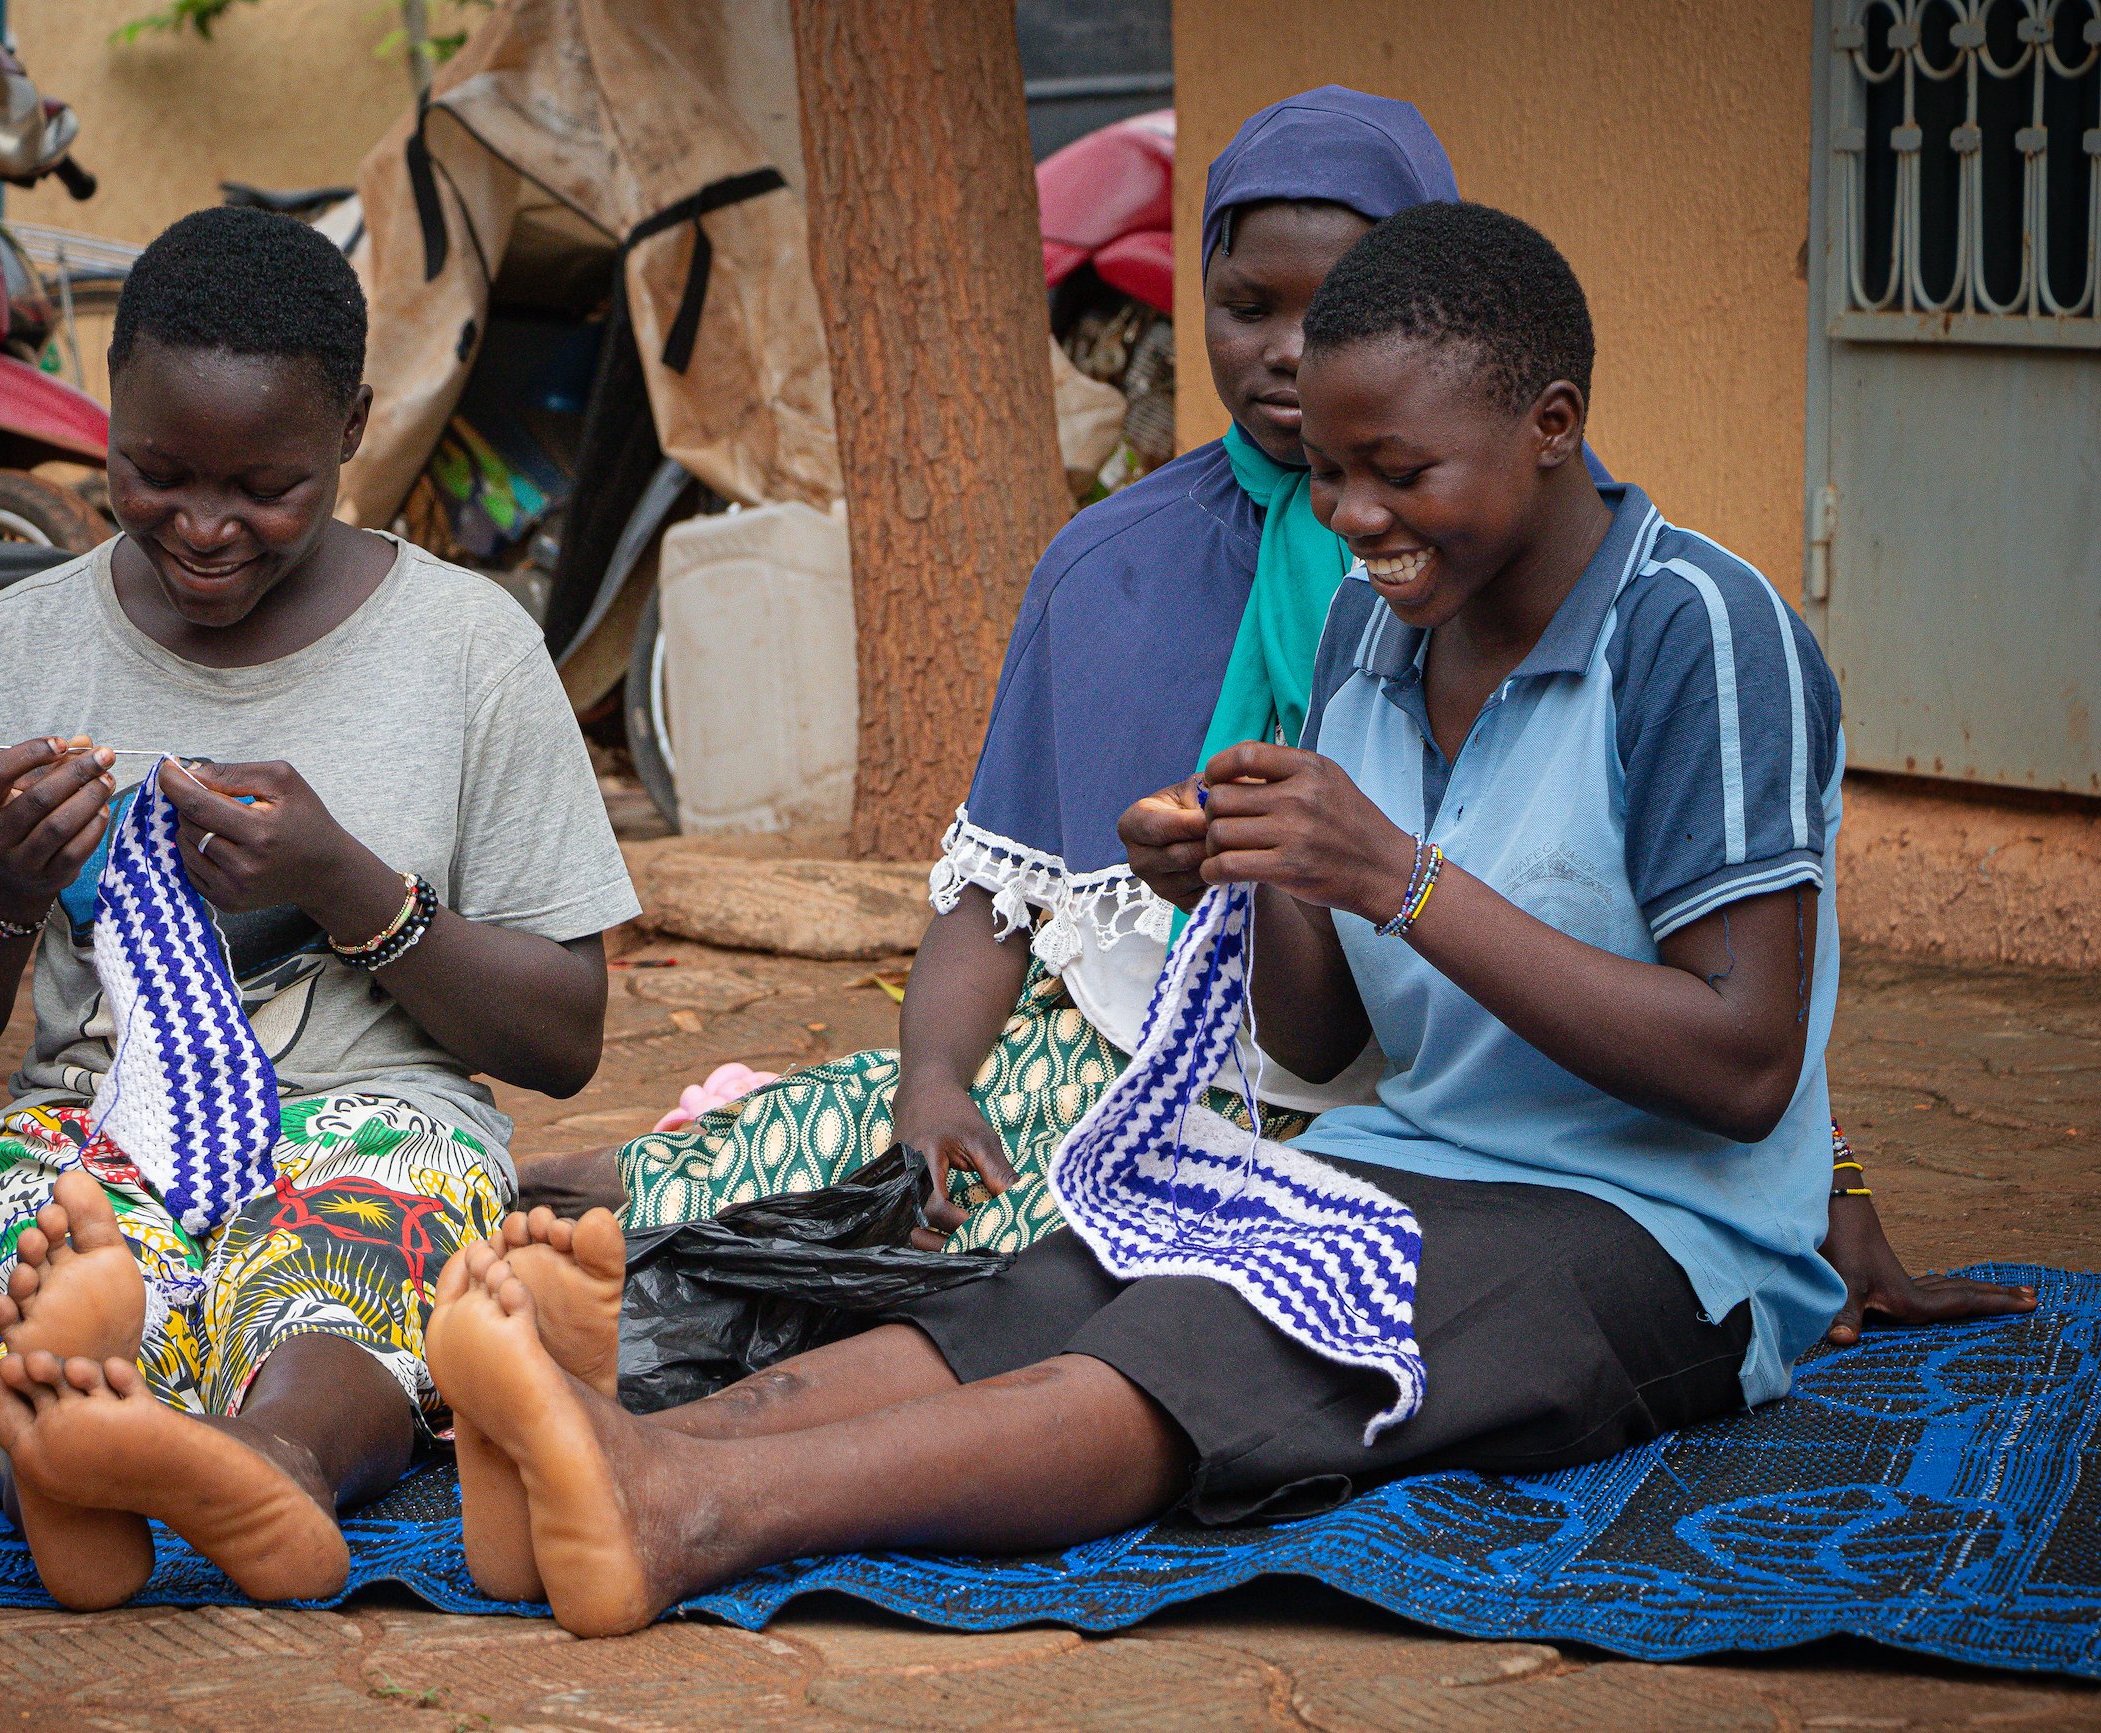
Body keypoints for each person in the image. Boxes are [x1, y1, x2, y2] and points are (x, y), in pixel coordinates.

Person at [423, 200, 2019, 1639]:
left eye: (1403, 471)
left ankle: (688, 1512)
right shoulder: (1372, 627)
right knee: (1062, 1278)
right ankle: (620, 1452)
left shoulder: (1701, 634)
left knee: (1208, 1352)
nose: (1356, 516)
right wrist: (1265, 874)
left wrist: (1389, 870)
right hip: (1410, 1158)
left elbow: (1743, 1063)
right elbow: (1318, 1037)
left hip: (1664, 1234)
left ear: (1552, 427)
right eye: (1328, 471)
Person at [520, 86, 2025, 1340]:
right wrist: (935, 1077)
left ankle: (664, 1372)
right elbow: (1003, 892)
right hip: (1153, 1037)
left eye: (1341, 311)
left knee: (1032, 1274)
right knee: (809, 1158)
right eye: (1246, 307)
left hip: (1392, 1114)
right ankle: (474, 1239)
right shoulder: (1117, 566)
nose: (1290, 355)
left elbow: (1701, 938)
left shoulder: (1569, 587)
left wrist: (1839, 1188)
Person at [0, 206, 640, 1610]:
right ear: (109, 414)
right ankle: (71, 1442)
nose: (203, 528)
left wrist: (345, 881)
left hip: (379, 1108)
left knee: (367, 1237)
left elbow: (565, 1036)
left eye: (266, 487)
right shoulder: (13, 648)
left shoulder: (469, 653)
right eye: (153, 473)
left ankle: (264, 1456)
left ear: (353, 424)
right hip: (95, 1125)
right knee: (20, 1234)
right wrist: (2, 887)